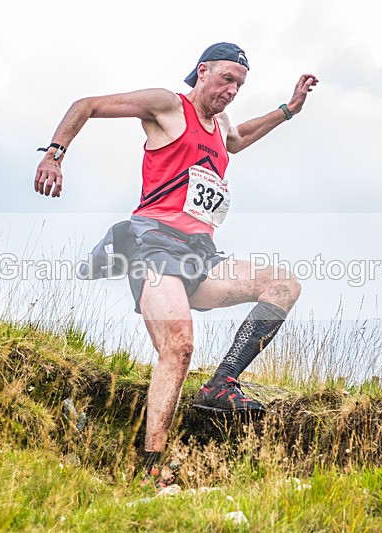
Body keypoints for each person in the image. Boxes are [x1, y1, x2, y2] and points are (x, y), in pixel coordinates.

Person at [34, 43, 318, 487]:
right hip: (155, 247)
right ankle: (151, 469)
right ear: (202, 71)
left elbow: (237, 140)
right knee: (180, 346)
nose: (232, 91)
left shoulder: (220, 124)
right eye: (226, 79)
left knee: (283, 285)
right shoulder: (168, 106)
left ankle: (220, 385)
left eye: (240, 85)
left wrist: (289, 110)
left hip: (200, 255)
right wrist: (54, 154)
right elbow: (85, 104)